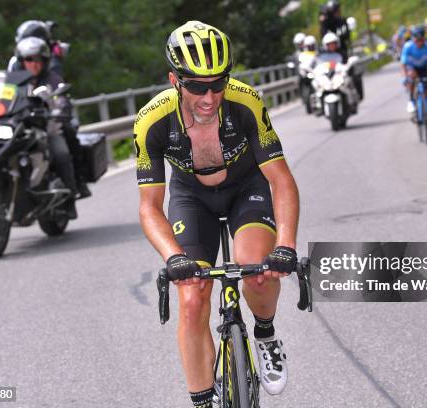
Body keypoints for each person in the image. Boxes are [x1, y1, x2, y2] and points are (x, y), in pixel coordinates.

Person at [135, 21, 300, 407]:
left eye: (217, 83)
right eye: (196, 86)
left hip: (247, 188)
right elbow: (149, 207)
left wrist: (286, 245)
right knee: (192, 296)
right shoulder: (151, 121)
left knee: (257, 269)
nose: (209, 97)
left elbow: (282, 181)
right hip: (192, 198)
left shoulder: (246, 102)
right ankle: (202, 401)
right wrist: (173, 257)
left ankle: (264, 333)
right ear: (174, 80)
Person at [15, 37, 80, 218]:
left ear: (45, 61)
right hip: (19, 130)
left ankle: (70, 198)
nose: (34, 64)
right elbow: (0, 99)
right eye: (29, 59)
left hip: (46, 129)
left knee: (61, 154)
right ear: (22, 61)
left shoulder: (52, 78)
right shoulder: (14, 81)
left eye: (38, 59)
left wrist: (61, 108)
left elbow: (62, 98)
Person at [400, 26, 427, 114]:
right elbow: (403, 64)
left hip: (423, 67)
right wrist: (404, 76)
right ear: (413, 40)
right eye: (416, 40)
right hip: (412, 67)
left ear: (424, 39)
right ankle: (411, 101)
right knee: (411, 77)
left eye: (421, 40)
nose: (419, 43)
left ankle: (426, 102)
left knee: (426, 87)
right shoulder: (408, 46)